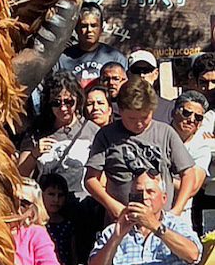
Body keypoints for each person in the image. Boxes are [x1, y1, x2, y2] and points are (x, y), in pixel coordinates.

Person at [85, 77, 198, 221]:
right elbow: (91, 179)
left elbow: (188, 173)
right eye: (132, 119)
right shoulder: (106, 135)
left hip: (159, 220)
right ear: (120, 110)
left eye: (144, 117)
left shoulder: (165, 132)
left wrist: (177, 210)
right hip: (122, 219)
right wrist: (112, 205)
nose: (139, 124)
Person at [18, 71, 98, 201]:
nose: (63, 108)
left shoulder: (92, 131)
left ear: (78, 99)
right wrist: (34, 154)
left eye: (68, 102)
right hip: (47, 205)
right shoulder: (36, 132)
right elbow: (21, 174)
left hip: (83, 204)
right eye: (56, 103)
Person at [54, 2, 126, 87]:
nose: (89, 30)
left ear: (101, 28)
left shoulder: (116, 58)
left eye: (94, 25)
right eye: (84, 26)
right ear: (76, 28)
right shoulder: (62, 59)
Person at [170, 91, 211, 229]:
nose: (192, 119)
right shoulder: (158, 136)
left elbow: (192, 188)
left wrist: (162, 178)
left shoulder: (201, 147)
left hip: (181, 215)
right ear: (174, 112)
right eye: (187, 113)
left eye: (198, 117)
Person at [126, 50, 172, 123]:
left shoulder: (169, 109)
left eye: (146, 70)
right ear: (128, 74)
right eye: (136, 70)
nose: (142, 75)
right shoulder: (118, 108)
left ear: (156, 74)